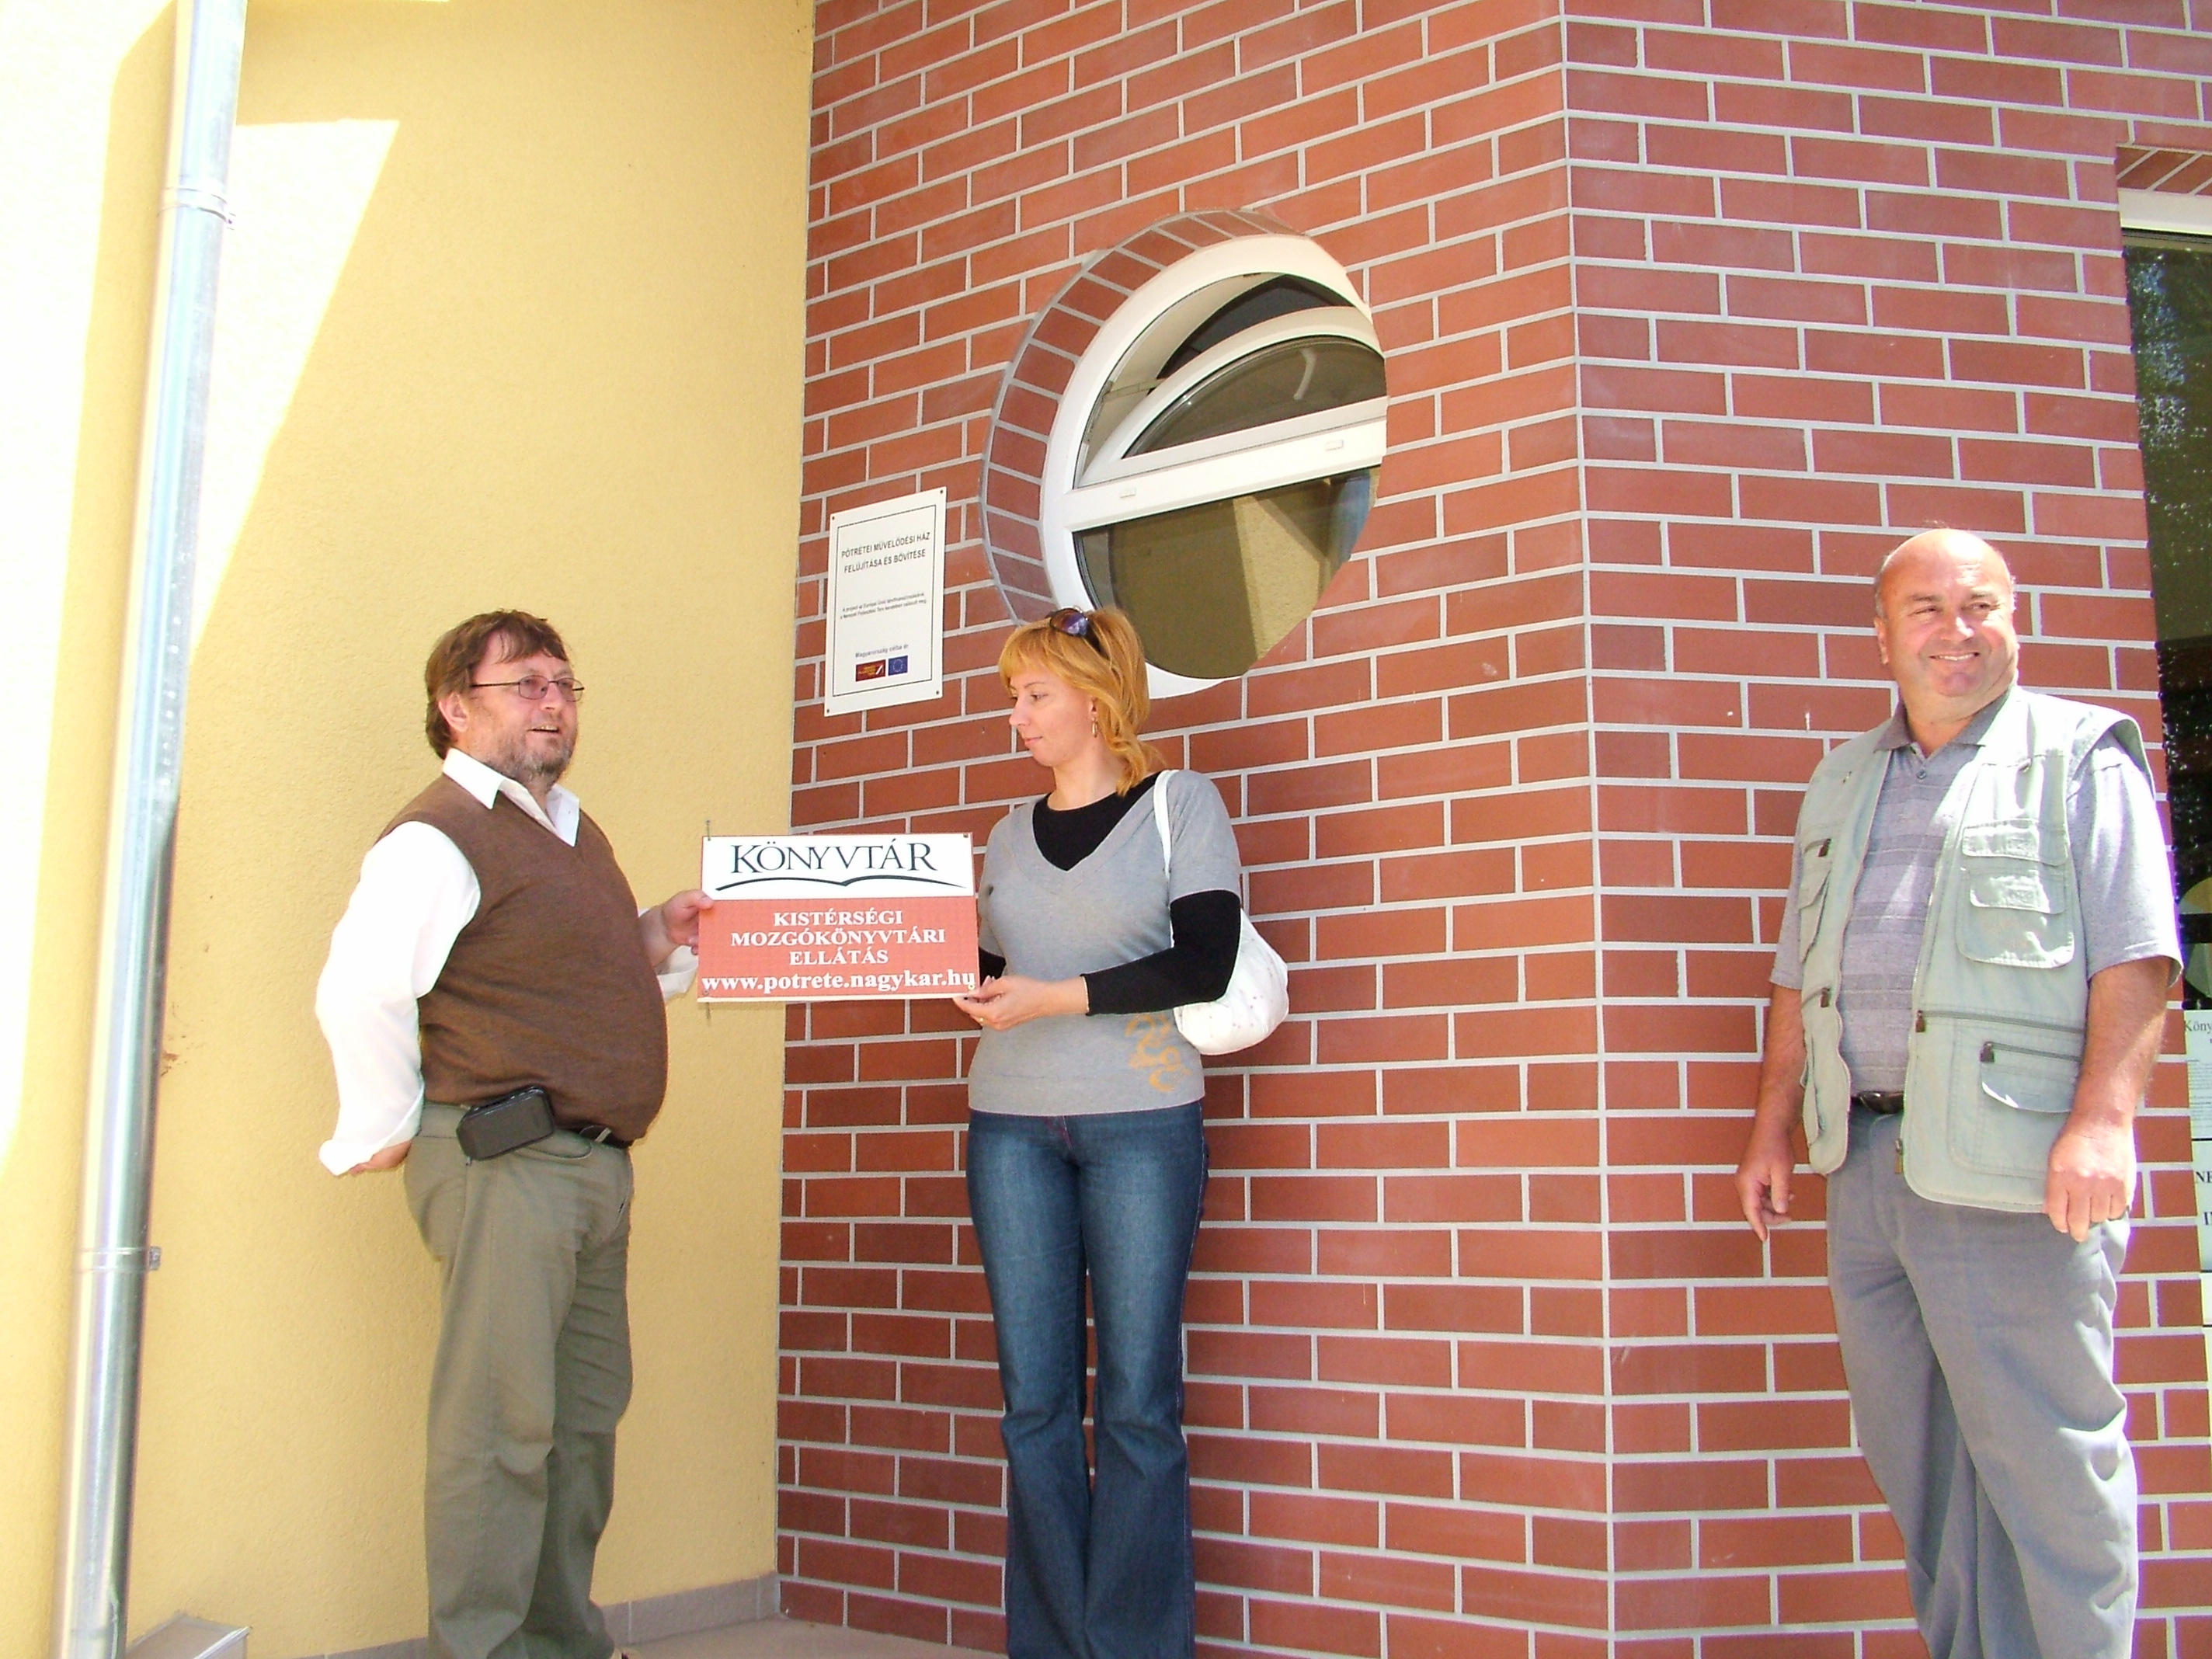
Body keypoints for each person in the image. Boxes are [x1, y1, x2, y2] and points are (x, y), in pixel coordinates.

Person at [1734, 530, 2179, 1658]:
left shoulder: (2080, 758)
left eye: (1981, 605)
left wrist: (2103, 1125)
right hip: (1865, 1168)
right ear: (1882, 637)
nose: (1957, 631)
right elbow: (1798, 968)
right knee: (1922, 1470)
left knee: (2050, 1468)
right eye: (1926, 609)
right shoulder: (1846, 778)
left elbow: (2139, 958)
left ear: (2014, 620)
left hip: (2013, 1176)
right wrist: (1773, 1123)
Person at [315, 610, 710, 1659]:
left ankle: (561, 1645)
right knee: (498, 1436)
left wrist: (659, 935)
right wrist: (381, 1124)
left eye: (564, 685)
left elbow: (561, 976)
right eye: (525, 684)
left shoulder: (573, 832)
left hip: (588, 1170)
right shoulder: (437, 836)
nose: (553, 703)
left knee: (578, 1430)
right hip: (504, 1163)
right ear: (456, 708)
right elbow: (360, 988)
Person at [951, 606, 1243, 1659]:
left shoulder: (1181, 806)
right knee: (1033, 1405)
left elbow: (1203, 961)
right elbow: (995, 972)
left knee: (1136, 1403)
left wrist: (1056, 998)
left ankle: (1132, 1646)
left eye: (1035, 694)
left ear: (1097, 698)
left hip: (1143, 1126)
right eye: (1013, 697)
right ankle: (1051, 1643)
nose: (1017, 715)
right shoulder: (1004, 835)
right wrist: (932, 958)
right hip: (1009, 1128)